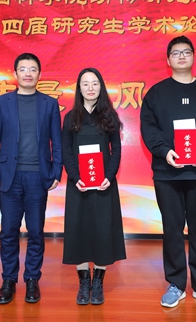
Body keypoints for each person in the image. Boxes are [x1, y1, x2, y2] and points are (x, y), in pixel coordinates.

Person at [140, 36, 196, 309]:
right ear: (167, 60)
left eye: (186, 52)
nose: (181, 56)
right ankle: (176, 283)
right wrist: (165, 151)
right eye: (175, 53)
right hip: (167, 172)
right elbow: (148, 128)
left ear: (193, 57)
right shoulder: (156, 93)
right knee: (172, 229)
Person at [0, 52, 63, 305]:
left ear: (39, 74)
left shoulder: (49, 104)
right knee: (8, 231)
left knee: (36, 232)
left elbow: (57, 142)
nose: (28, 73)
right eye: (23, 69)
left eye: (32, 69)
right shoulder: (1, 103)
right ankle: (8, 280)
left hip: (37, 177)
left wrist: (56, 171)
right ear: (15, 74)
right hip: (9, 177)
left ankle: (32, 279)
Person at [61, 67, 126, 305]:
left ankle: (98, 282)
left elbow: (116, 150)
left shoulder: (109, 116)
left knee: (102, 231)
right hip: (78, 184)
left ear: (101, 87)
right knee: (78, 230)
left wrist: (109, 176)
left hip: (103, 185)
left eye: (95, 83)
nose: (90, 88)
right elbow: (66, 150)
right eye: (85, 84)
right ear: (79, 88)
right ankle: (83, 282)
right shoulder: (71, 117)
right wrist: (74, 176)